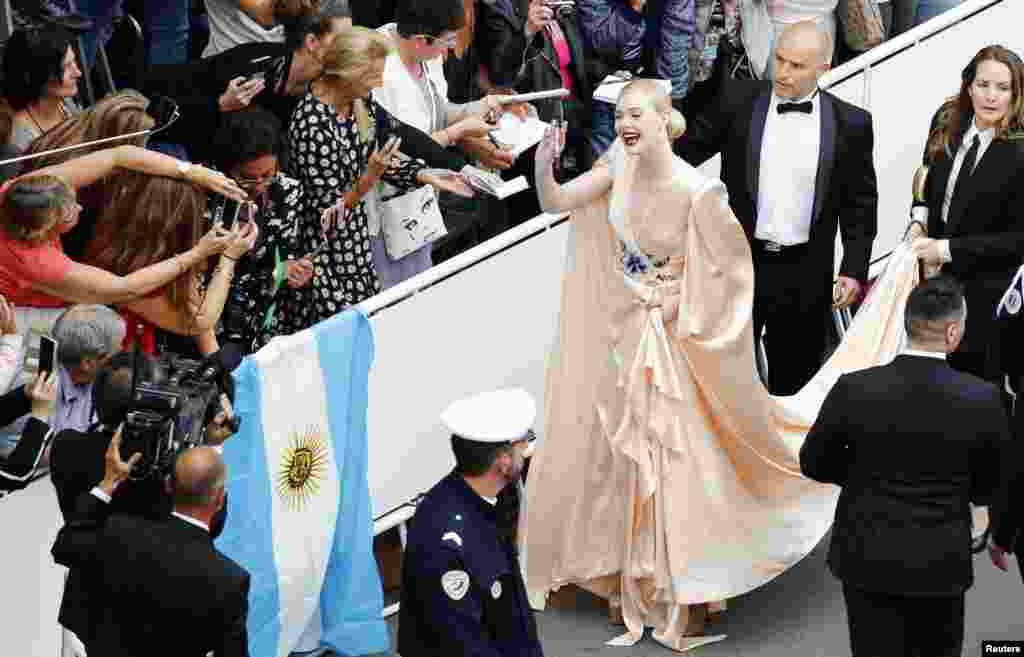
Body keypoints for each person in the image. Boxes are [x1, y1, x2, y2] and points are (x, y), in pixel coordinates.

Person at [523, 76, 916, 652]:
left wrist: (672, 299)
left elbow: (729, 277)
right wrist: (543, 165)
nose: (626, 124)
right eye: (622, 114)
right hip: (626, 335)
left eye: (637, 114)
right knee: (622, 454)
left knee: (679, 458)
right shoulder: (615, 168)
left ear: (665, 120)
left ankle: (690, 585)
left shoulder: (696, 191)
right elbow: (556, 201)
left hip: (676, 343)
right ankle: (632, 572)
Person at [800, 275, 1010, 657]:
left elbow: (813, 462)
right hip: (940, 562)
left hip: (865, 556)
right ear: (952, 333)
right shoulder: (983, 398)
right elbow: (991, 484)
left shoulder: (854, 387)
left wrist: (861, 476)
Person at [679, 21, 878, 395]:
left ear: (825, 66)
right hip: (739, 263)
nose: (783, 73)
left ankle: (787, 453)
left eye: (796, 66)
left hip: (806, 272)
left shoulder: (851, 124)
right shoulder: (738, 101)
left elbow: (860, 204)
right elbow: (685, 152)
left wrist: (854, 269)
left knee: (795, 379)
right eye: (780, 60)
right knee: (726, 379)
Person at [282, 26, 471, 332]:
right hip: (326, 256)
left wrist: (426, 174)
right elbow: (329, 216)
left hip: (359, 241)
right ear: (348, 74)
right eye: (372, 76)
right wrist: (369, 178)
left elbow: (383, 153)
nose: (380, 82)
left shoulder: (359, 103)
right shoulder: (311, 126)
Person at [51, 435, 249, 657]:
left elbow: (65, 546)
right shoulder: (230, 581)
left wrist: (108, 483)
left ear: (167, 485)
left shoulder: (116, 533)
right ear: (220, 500)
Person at [397, 388, 543, 657]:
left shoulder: (492, 496)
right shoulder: (444, 541)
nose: (528, 448)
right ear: (503, 462)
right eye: (524, 440)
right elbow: (463, 643)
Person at [908, 45, 1024, 382]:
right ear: (968, 85)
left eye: (1003, 89)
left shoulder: (1020, 150)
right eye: (983, 84)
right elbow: (924, 181)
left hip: (987, 294)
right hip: (931, 283)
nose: (991, 97)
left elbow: (1018, 240)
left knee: (973, 392)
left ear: (1016, 94)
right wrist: (919, 221)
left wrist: (944, 250)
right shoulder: (945, 119)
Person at [371, 0, 501, 288]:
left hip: (424, 200)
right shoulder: (377, 67)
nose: (450, 51)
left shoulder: (426, 57)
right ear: (420, 40)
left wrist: (478, 108)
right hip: (384, 209)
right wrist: (457, 132)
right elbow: (395, 147)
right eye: (447, 42)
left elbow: (439, 111)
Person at [210, 106, 313, 352]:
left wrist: (297, 270)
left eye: (268, 174)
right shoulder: (208, 198)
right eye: (246, 177)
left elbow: (287, 251)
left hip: (270, 324)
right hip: (217, 326)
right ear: (227, 167)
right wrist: (275, 273)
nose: (259, 185)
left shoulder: (288, 191)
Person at [0, 304, 124, 458]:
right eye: (114, 354)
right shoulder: (31, 386)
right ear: (88, 363)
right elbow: (13, 456)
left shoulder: (89, 374)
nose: (120, 356)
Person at [577, 0, 696, 158]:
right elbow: (600, 41)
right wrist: (634, 8)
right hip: (604, 81)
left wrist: (673, 96)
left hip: (651, 74)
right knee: (607, 165)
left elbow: (676, 36)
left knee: (655, 166)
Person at [1, 25, 83, 155]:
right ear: (38, 76)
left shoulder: (67, 105)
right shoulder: (19, 140)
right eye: (66, 67)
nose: (78, 73)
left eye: (74, 62)